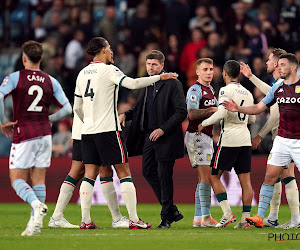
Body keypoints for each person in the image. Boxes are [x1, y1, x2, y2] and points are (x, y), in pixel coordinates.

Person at [73, 37, 178, 229]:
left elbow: (77, 107)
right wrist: (159, 77)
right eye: (110, 48)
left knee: (89, 175)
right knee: (124, 173)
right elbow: (133, 84)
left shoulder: (82, 73)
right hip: (107, 129)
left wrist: (89, 120)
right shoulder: (109, 70)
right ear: (103, 50)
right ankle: (134, 219)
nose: (112, 51)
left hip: (87, 130)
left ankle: (86, 221)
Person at [0, 40, 72, 236]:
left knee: (16, 179)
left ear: (24, 58)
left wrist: (3, 121)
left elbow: (0, 95)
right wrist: (49, 118)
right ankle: (34, 224)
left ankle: (35, 204)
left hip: (24, 133)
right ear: (41, 58)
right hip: (45, 135)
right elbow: (68, 109)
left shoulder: (15, 77)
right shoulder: (51, 80)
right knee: (38, 178)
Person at [223, 53, 300, 228]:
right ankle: (261, 216)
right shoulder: (278, 87)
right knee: (270, 176)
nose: (279, 68)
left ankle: (289, 217)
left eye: (282, 65)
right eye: (278, 65)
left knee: (286, 177)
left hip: (299, 140)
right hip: (282, 139)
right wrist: (238, 108)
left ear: (293, 67)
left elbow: (273, 115)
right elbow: (259, 107)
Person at [119, 50, 187, 228]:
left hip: (167, 137)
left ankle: (166, 217)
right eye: (149, 64)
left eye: (154, 64)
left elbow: (182, 112)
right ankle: (171, 210)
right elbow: (139, 108)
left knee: (165, 176)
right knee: (148, 171)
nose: (150, 67)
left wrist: (162, 129)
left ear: (162, 66)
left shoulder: (173, 84)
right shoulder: (147, 84)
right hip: (149, 136)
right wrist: (126, 114)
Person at [198, 60, 256, 229]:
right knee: (245, 181)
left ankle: (227, 214)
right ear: (238, 73)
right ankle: (245, 220)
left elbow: (222, 112)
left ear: (224, 73)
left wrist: (205, 123)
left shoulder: (225, 90)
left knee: (213, 176)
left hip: (229, 139)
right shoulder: (248, 93)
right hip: (245, 139)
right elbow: (252, 118)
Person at [48, 113, 129, 229]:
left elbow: (77, 107)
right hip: (96, 128)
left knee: (76, 172)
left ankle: (57, 216)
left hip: (79, 130)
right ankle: (116, 218)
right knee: (104, 170)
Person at [185, 58, 218, 228]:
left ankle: (198, 218)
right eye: (205, 69)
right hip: (197, 135)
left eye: (211, 69)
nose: (209, 72)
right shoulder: (195, 90)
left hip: (206, 135)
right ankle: (206, 217)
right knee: (206, 176)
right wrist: (211, 110)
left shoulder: (210, 89)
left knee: (202, 178)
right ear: (197, 72)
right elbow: (191, 114)